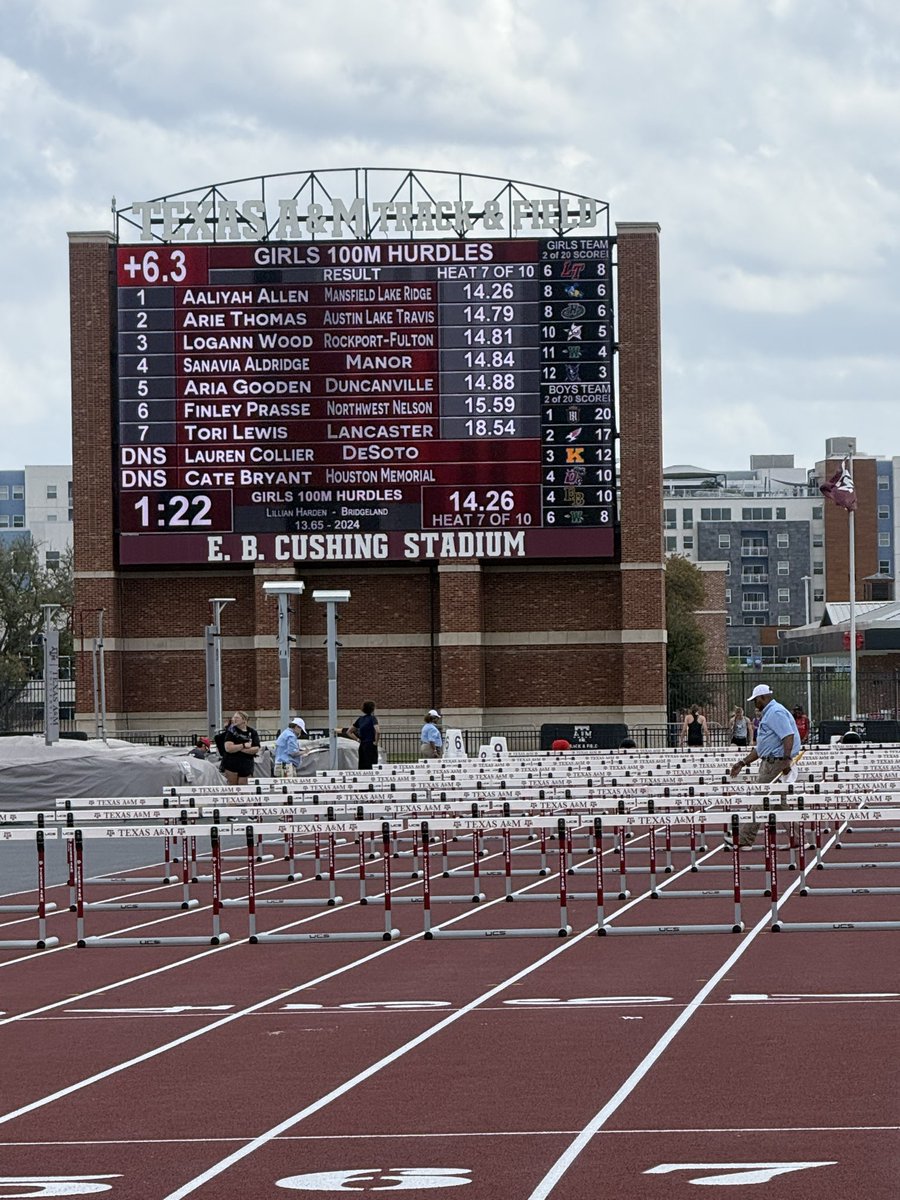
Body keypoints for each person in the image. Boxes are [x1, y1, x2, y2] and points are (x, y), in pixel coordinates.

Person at [729, 684, 801, 846]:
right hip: (770, 761)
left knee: (761, 799)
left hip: (775, 763)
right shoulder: (769, 714)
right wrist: (743, 762)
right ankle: (797, 838)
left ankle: (744, 838)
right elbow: (762, 748)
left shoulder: (775, 712)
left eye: (755, 700)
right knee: (779, 804)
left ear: (763, 697)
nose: (755, 704)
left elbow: (788, 736)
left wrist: (786, 760)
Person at [220, 710, 261, 785]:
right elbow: (228, 748)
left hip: (247, 764)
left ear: (244, 720)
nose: (234, 719)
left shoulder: (252, 732)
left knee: (244, 787)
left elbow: (256, 749)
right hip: (231, 764)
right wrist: (244, 746)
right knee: (232, 787)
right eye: (233, 717)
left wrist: (238, 749)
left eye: (237, 718)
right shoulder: (231, 732)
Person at [348, 700, 380, 770]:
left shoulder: (360, 719)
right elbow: (377, 731)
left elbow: (349, 732)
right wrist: (376, 742)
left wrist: (357, 739)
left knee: (362, 764)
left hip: (362, 745)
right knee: (372, 765)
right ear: (373, 709)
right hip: (371, 744)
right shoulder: (373, 718)